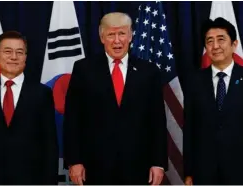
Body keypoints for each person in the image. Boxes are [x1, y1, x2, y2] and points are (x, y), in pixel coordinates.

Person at [63, 12, 167, 185]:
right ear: (102, 37)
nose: (117, 40)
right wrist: (74, 161)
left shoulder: (149, 71)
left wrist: (158, 163)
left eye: (122, 33)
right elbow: (73, 119)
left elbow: (157, 121)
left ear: (131, 35)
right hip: (95, 167)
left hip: (138, 167)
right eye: (111, 34)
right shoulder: (84, 69)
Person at [183, 17, 243, 185]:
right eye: (209, 41)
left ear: (234, 44)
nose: (215, 46)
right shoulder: (194, 81)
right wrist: (188, 173)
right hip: (204, 172)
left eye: (221, 39)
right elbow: (190, 130)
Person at [0, 31, 59, 185]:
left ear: (25, 57)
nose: (14, 57)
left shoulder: (42, 93)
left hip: (30, 179)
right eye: (8, 51)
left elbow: (49, 145)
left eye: (19, 52)